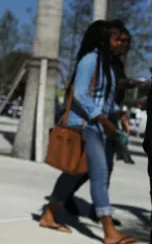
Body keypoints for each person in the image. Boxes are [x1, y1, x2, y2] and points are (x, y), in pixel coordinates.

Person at [39, 20, 136, 244]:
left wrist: (118, 114)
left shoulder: (109, 65)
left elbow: (105, 100)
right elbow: (80, 94)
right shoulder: (90, 60)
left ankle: (49, 214)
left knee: (76, 173)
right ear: (104, 40)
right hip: (84, 126)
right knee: (99, 174)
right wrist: (103, 119)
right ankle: (109, 232)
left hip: (98, 126)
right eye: (116, 39)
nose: (121, 43)